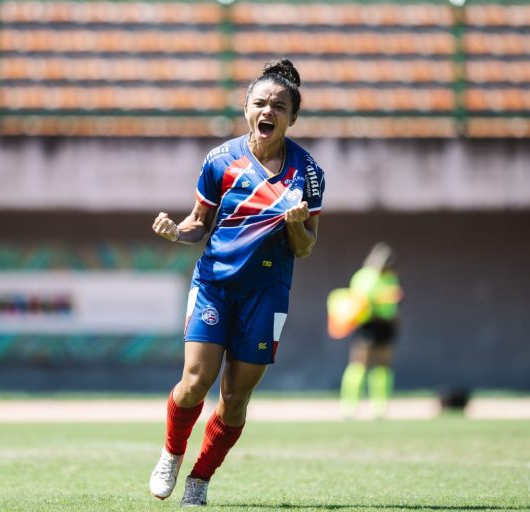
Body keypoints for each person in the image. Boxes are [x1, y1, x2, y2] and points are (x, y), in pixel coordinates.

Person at [149, 58, 325, 507]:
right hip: (214, 283)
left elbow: (305, 247)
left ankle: (200, 478)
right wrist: (177, 232)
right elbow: (197, 224)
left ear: (292, 117)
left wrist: (294, 224)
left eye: (279, 106)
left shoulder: (308, 174)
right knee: (194, 381)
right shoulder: (220, 160)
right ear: (247, 107)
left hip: (267, 294)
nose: (268, 111)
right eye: (259, 102)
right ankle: (172, 453)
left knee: (235, 397)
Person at [332, 242, 402, 419]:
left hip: (386, 326)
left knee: (383, 367)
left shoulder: (390, 277)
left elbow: (393, 304)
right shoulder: (364, 277)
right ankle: (349, 407)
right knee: (359, 365)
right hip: (368, 326)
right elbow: (360, 302)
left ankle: (380, 408)